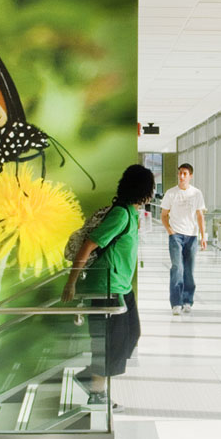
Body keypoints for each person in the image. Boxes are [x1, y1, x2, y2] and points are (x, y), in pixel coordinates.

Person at [62, 164, 154, 408]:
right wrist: (71, 282)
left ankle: (88, 377)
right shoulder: (121, 214)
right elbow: (88, 246)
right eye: (150, 186)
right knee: (109, 343)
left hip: (122, 287)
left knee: (132, 335)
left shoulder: (132, 214)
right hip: (107, 287)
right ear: (142, 189)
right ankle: (97, 392)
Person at [160, 163, 206, 316]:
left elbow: (200, 216)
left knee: (189, 270)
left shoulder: (197, 193)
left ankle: (187, 301)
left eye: (185, 173)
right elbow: (164, 215)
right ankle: (176, 303)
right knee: (177, 268)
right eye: (180, 173)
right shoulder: (171, 193)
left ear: (190, 176)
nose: (181, 176)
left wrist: (203, 236)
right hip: (176, 236)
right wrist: (171, 232)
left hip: (192, 237)